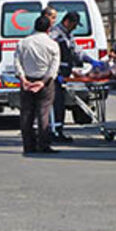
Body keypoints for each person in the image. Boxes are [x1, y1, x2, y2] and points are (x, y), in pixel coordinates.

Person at [16, 14, 61, 155]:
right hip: (45, 82)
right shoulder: (52, 44)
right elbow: (54, 68)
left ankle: (28, 145)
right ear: (49, 28)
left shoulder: (23, 43)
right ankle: (44, 144)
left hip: (27, 80)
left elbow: (17, 62)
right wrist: (43, 82)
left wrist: (23, 79)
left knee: (26, 113)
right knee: (44, 113)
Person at [50, 11, 85, 143]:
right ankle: (54, 131)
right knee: (55, 104)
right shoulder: (56, 34)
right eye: (74, 24)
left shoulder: (68, 35)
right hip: (56, 74)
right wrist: (57, 73)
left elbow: (76, 51)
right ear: (67, 22)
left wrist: (90, 60)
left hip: (64, 74)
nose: (75, 27)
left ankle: (58, 130)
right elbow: (52, 54)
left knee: (60, 103)